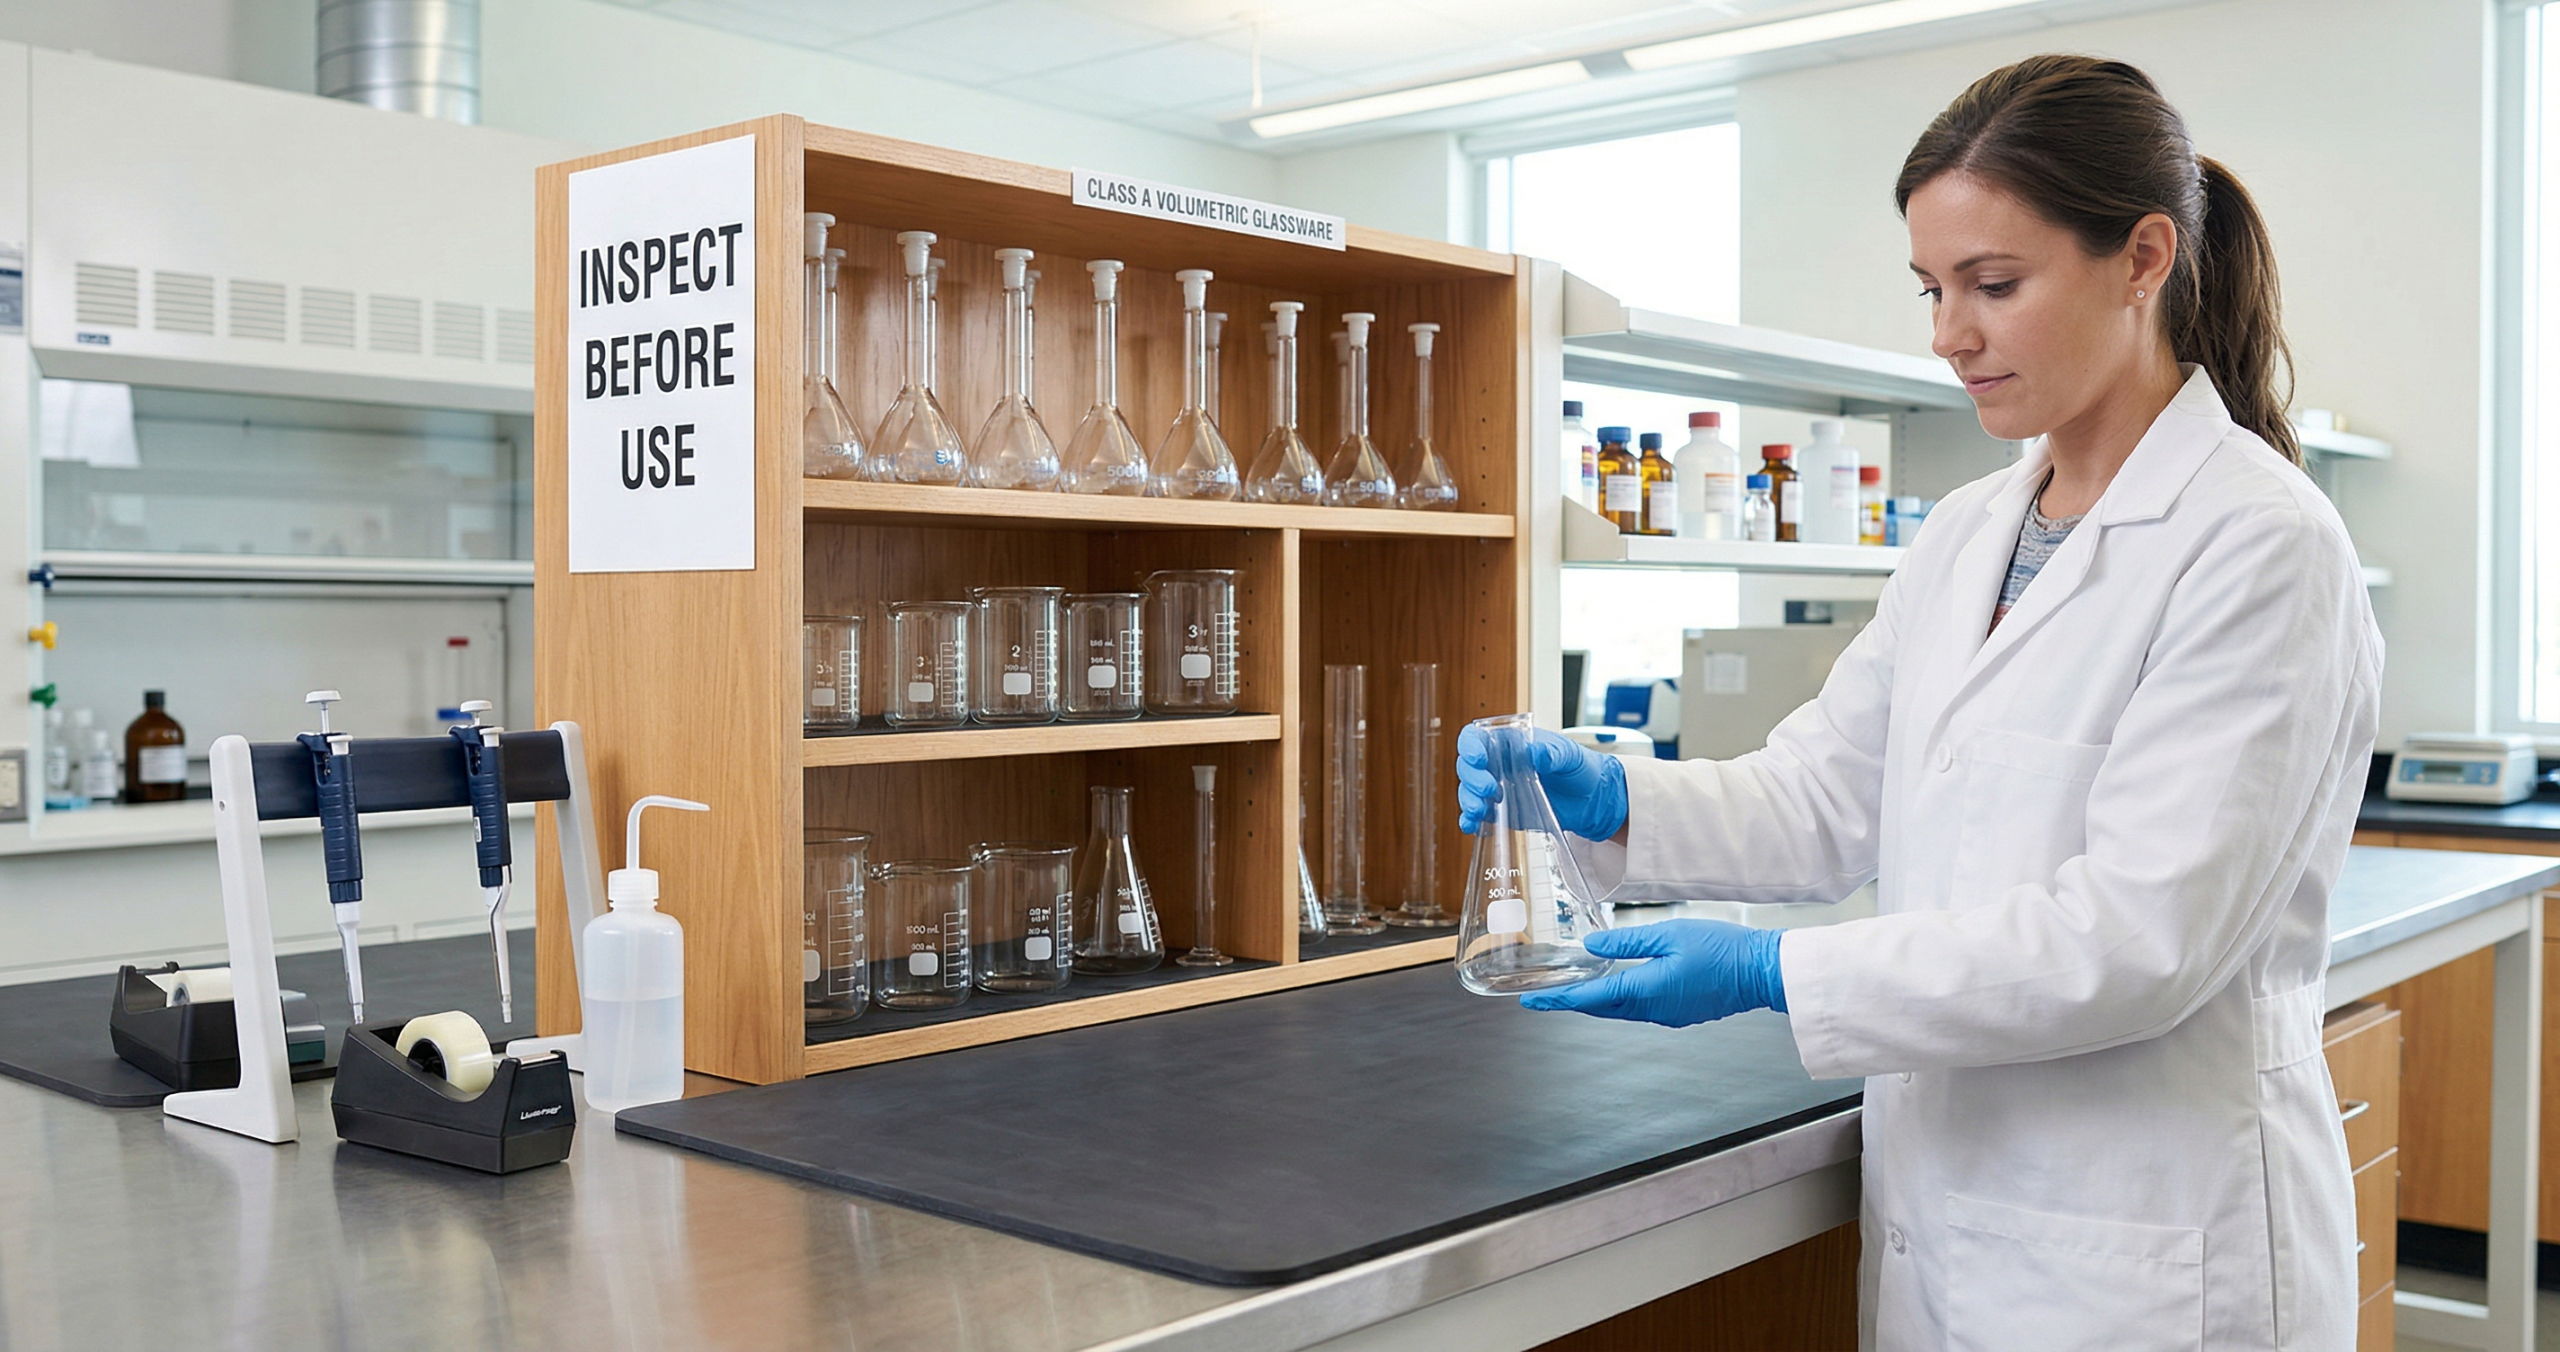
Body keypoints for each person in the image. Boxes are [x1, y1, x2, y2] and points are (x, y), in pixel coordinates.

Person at [1459, 55, 2380, 1350]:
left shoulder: (2259, 542)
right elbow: (1825, 796)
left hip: (2152, 1249)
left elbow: (2136, 937)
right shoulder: (1967, 534)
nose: (1951, 333)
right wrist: (1616, 797)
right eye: (1934, 289)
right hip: (1958, 1217)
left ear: (2144, 258)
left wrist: (1778, 972)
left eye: (1994, 285)